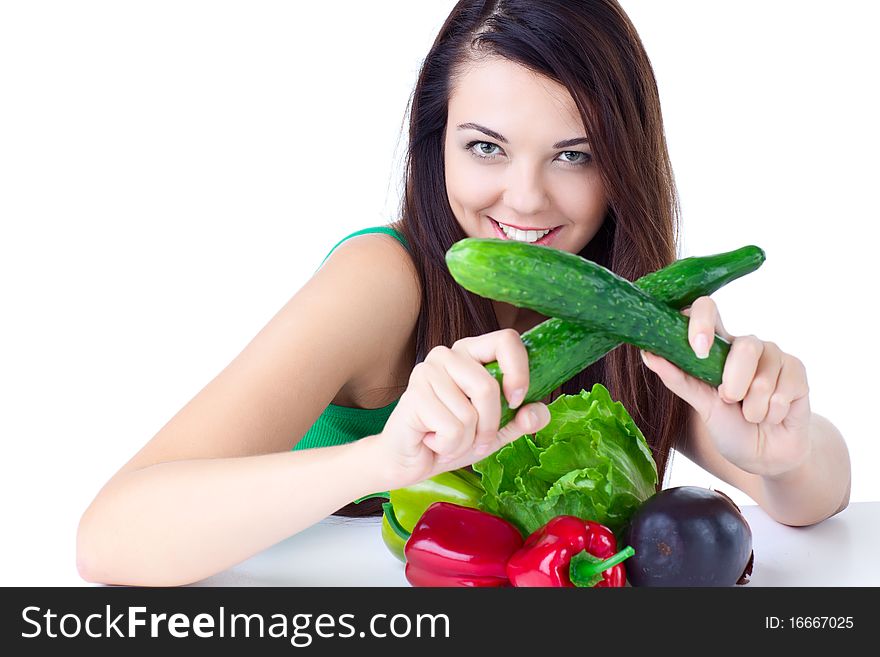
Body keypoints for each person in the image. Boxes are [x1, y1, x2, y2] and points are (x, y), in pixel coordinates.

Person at [76, 0, 850, 587]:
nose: (526, 198)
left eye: (575, 155)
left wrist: (778, 452)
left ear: (624, 164)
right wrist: (380, 459)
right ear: (435, 141)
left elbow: (818, 490)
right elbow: (110, 536)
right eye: (486, 147)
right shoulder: (383, 280)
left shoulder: (628, 306)